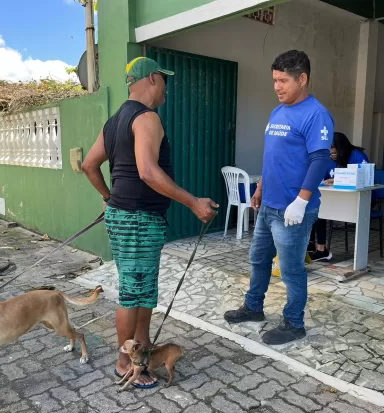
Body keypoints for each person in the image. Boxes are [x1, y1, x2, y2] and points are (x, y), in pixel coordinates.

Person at [81, 57, 218, 388]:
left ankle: (141, 351)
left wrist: (108, 198)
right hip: (139, 219)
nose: (166, 90)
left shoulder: (114, 122)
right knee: (132, 294)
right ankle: (125, 362)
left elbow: (89, 165)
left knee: (142, 292)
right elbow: (147, 171)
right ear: (153, 79)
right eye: (165, 82)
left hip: (128, 216)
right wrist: (194, 203)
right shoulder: (147, 118)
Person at [224, 50, 334, 345]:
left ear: (302, 78)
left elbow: (320, 160)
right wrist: (259, 188)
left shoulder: (316, 114)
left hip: (293, 210)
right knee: (258, 259)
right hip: (268, 205)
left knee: (291, 269)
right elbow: (273, 156)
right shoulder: (277, 112)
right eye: (274, 80)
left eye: (283, 80)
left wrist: (301, 201)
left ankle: (294, 323)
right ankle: (253, 307)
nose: (277, 87)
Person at [309, 132, 370, 261]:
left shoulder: (356, 155)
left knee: (320, 210)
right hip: (334, 199)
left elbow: (365, 178)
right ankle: (315, 247)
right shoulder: (328, 159)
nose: (332, 157)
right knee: (315, 209)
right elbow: (322, 178)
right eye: (330, 154)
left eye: (335, 154)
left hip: (358, 200)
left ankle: (321, 249)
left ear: (343, 148)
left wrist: (336, 180)